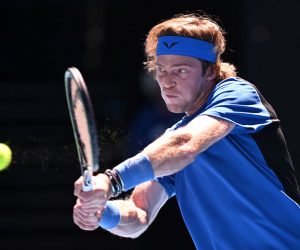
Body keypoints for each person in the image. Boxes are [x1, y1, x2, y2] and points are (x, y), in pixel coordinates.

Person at [73, 13, 300, 249]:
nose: (167, 82)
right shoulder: (171, 150)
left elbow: (185, 145)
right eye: (161, 70)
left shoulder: (238, 94)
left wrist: (112, 181)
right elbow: (139, 214)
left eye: (180, 70)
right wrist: (101, 211)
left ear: (210, 71)